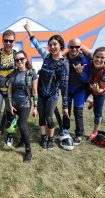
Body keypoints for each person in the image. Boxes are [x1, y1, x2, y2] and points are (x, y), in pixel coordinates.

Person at [23, 21, 70, 150]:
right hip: (41, 93)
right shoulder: (47, 57)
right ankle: (43, 137)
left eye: (55, 44)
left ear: (60, 45)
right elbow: (37, 45)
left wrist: (65, 106)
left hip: (52, 96)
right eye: (50, 45)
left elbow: (65, 86)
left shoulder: (64, 64)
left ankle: (50, 138)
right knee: (41, 117)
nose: (52, 47)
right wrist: (28, 31)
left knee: (49, 117)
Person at [7, 50, 38, 162]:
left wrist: (35, 106)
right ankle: (21, 140)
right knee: (15, 123)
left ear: (26, 60)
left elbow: (35, 91)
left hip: (25, 104)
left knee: (22, 125)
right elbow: (9, 91)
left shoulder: (31, 73)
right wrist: (10, 104)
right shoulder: (13, 74)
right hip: (14, 104)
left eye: (21, 59)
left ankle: (28, 150)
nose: (19, 61)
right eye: (17, 60)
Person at [60, 38, 91, 148]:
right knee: (66, 111)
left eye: (77, 47)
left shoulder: (85, 60)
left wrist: (80, 73)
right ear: (68, 47)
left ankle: (79, 134)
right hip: (67, 90)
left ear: (80, 47)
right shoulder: (64, 59)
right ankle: (65, 129)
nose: (74, 49)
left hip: (79, 90)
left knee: (78, 112)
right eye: (72, 47)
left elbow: (86, 79)